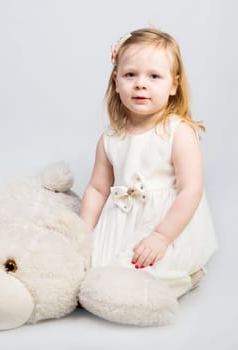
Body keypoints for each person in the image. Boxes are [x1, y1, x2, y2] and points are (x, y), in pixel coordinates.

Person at [79, 28, 217, 297]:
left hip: (165, 220)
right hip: (121, 218)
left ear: (173, 85)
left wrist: (162, 236)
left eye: (154, 76)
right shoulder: (110, 139)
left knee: (147, 271)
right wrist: (82, 234)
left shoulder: (178, 132)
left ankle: (182, 274)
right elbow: (97, 189)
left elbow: (191, 189)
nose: (141, 84)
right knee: (94, 270)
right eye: (131, 75)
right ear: (116, 82)